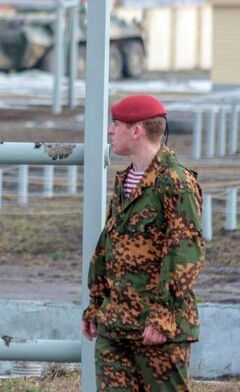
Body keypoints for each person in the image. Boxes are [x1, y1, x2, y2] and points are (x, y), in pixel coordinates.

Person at [81, 94, 205, 390]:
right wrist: (96, 304)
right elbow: (109, 245)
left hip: (158, 328)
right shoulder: (125, 180)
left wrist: (162, 315)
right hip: (116, 325)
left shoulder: (176, 182)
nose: (110, 131)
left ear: (137, 130)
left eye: (116, 124)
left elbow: (184, 252)